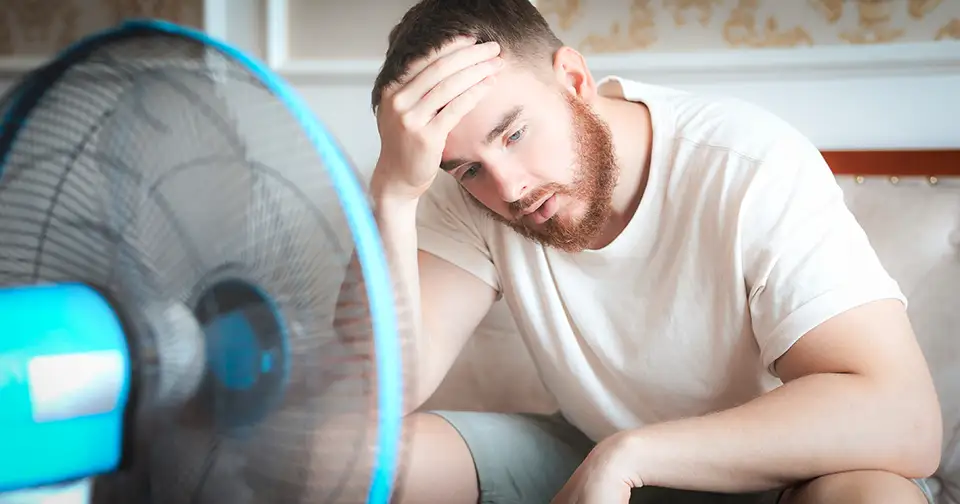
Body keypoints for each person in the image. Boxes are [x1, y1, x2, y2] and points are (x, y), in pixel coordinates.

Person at [364, 1, 943, 503]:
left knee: (875, 495)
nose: (510, 189)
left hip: (784, 469)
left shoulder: (748, 165)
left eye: (514, 134)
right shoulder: (469, 196)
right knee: (355, 455)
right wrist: (393, 193)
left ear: (573, 80)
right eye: (468, 169)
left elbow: (905, 417)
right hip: (591, 452)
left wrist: (632, 455)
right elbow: (382, 392)